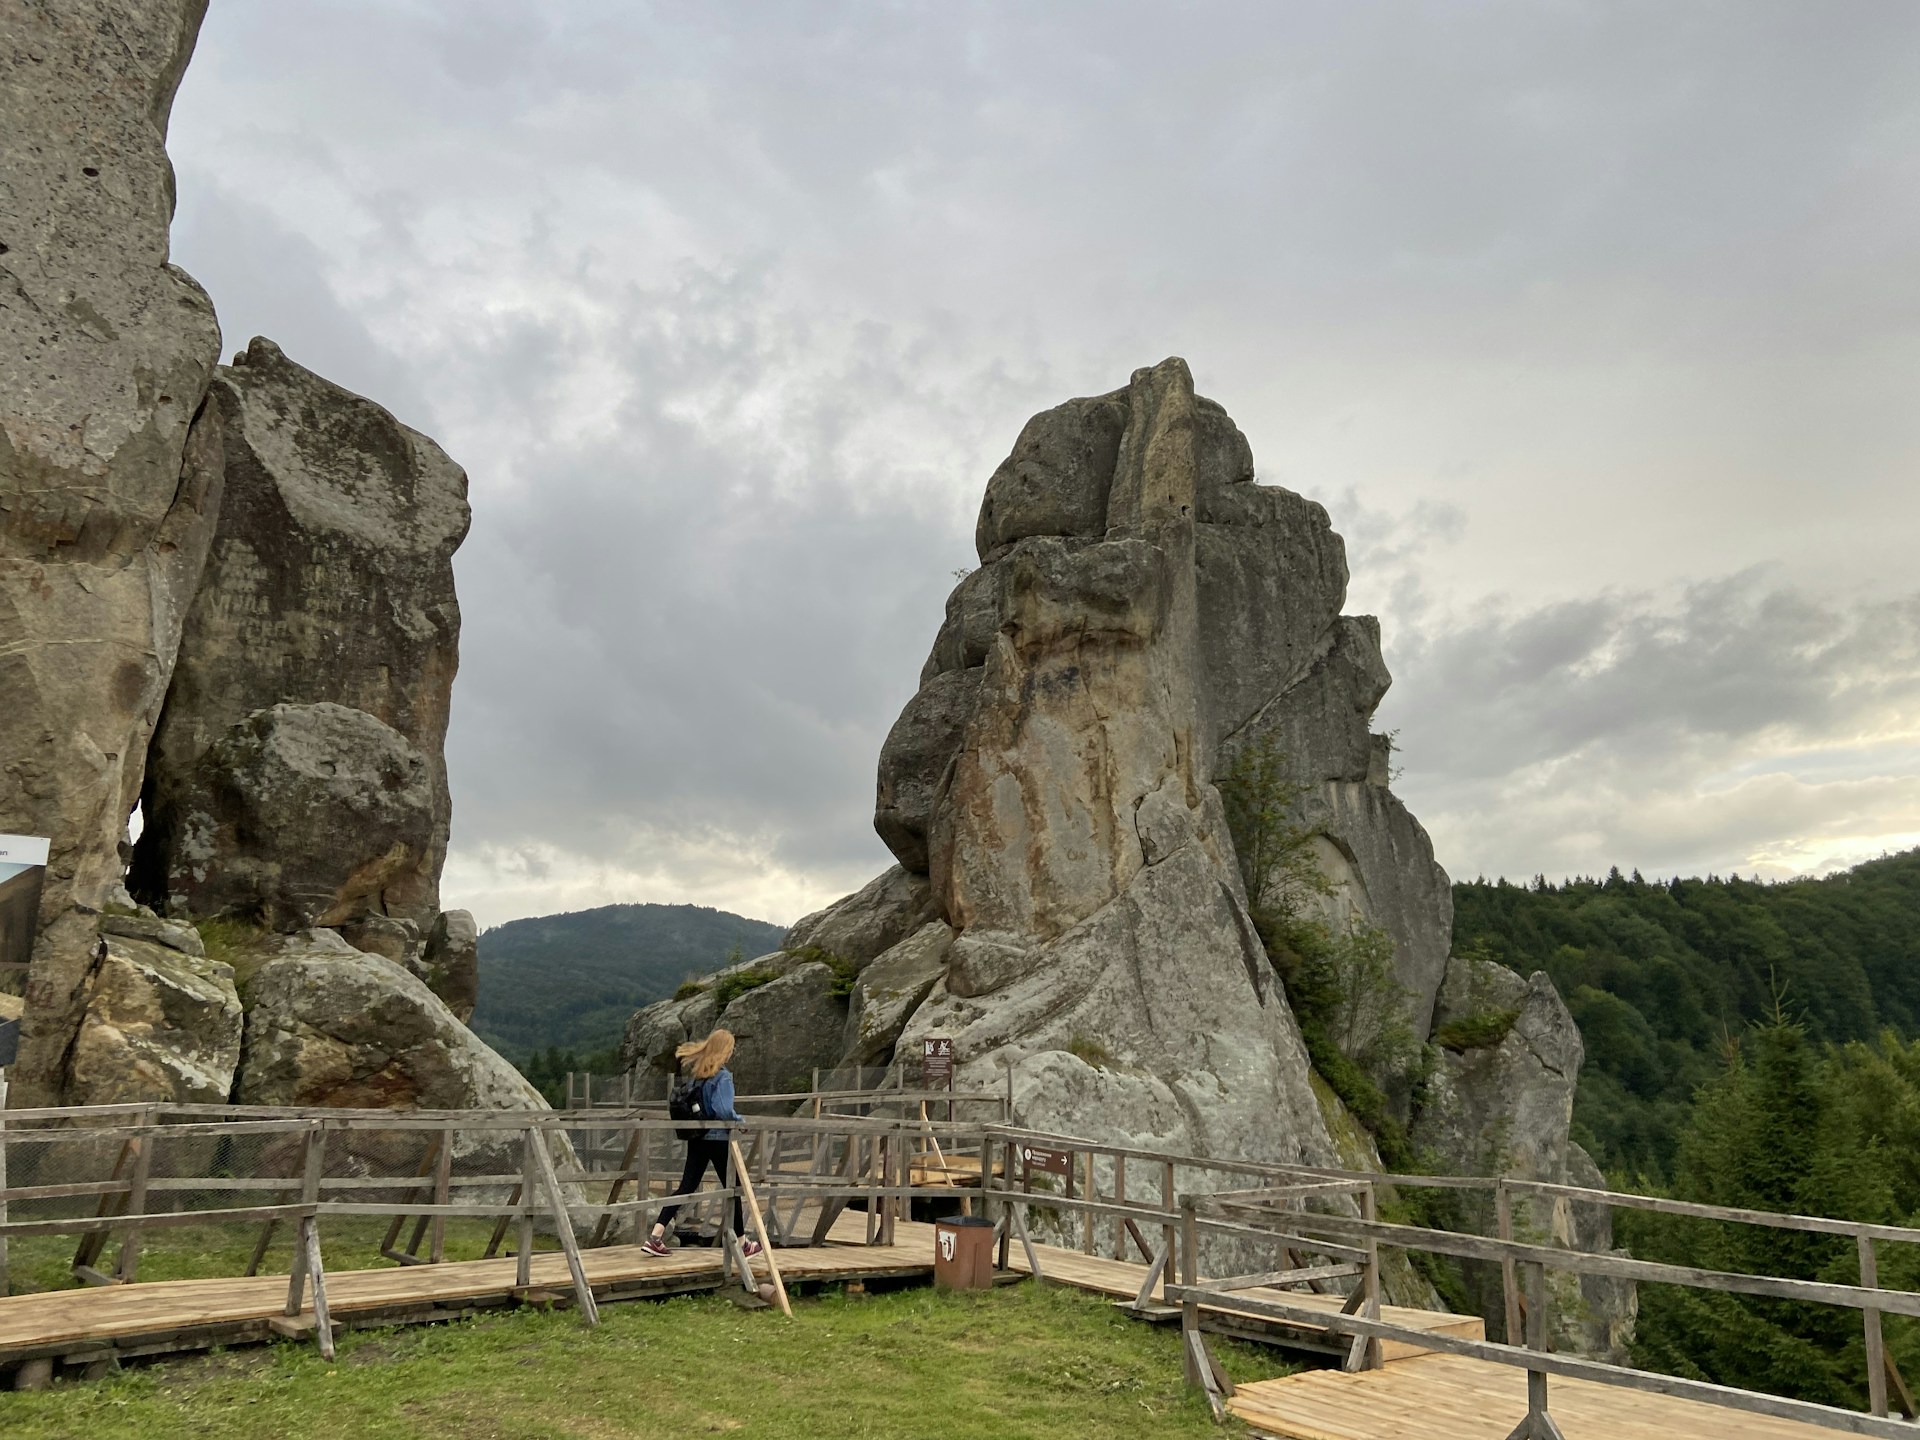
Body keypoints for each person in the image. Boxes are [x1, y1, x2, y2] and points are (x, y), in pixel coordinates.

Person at [643, 1027, 760, 1257]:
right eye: (730, 1048)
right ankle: (743, 1244)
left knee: (686, 1186)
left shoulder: (699, 1076)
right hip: (717, 1139)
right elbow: (723, 1109)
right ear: (725, 1050)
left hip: (698, 1138)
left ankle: (656, 1236)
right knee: (733, 1188)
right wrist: (740, 1120)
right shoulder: (723, 1076)